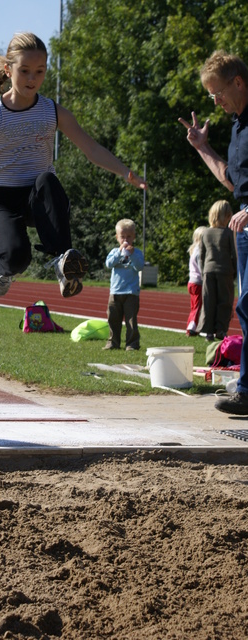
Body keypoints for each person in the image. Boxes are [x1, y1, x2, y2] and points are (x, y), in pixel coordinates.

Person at [0, 32, 146, 299]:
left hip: (37, 194)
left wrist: (125, 171)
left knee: (48, 179)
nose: (32, 79)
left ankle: (64, 263)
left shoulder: (53, 111)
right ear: (8, 71)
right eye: (25, 71)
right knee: (18, 257)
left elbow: (91, 148)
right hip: (4, 198)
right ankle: (2, 268)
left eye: (39, 71)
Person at [179, 50, 248, 414]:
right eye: (210, 96)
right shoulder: (237, 124)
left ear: (238, 82)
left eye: (217, 92)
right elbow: (232, 181)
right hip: (245, 230)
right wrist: (203, 147)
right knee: (246, 306)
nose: (214, 101)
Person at [103, 219, 144, 351]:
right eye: (122, 237)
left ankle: (132, 344)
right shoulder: (114, 251)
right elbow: (109, 264)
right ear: (117, 237)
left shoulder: (137, 253)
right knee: (113, 318)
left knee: (131, 320)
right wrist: (118, 253)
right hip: (115, 291)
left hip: (131, 292)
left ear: (134, 237)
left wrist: (131, 255)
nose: (126, 240)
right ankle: (113, 342)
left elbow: (139, 267)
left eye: (129, 237)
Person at [199, 200, 236, 342]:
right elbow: (234, 254)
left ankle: (208, 331)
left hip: (208, 270)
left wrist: (203, 271)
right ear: (227, 216)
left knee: (209, 301)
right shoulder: (228, 233)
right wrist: (235, 270)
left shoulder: (205, 233)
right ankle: (221, 329)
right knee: (224, 301)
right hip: (225, 271)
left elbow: (201, 256)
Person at [186, 225, 206, 336]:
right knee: (197, 307)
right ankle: (192, 328)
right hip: (198, 282)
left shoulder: (194, 249)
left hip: (192, 282)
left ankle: (191, 325)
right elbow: (201, 267)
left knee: (194, 306)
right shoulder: (199, 251)